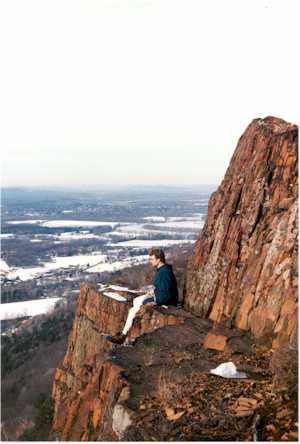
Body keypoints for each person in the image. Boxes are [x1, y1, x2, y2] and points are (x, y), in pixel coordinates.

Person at [106, 247, 178, 344]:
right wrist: (153, 292)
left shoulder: (164, 272)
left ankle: (124, 335)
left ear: (159, 259)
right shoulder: (162, 270)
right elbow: (162, 288)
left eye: (152, 259)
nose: (150, 261)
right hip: (160, 295)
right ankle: (124, 333)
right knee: (136, 301)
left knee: (135, 308)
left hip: (164, 300)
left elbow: (167, 293)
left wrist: (156, 302)